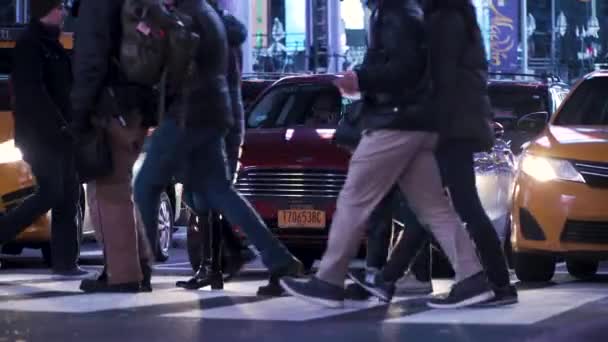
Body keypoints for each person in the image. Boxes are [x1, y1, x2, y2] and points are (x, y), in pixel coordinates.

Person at [280, 0, 493, 309]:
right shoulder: (408, 11)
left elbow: (404, 69)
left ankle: (328, 280)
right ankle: (473, 277)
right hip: (418, 122)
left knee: (354, 198)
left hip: (395, 122)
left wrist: (360, 79)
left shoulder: (394, 12)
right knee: (433, 207)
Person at [351, 0, 517, 307]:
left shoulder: (446, 18)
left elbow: (440, 79)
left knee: (458, 207)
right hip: (452, 123)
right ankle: (388, 280)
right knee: (434, 207)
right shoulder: (449, 14)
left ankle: (497, 283)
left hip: (450, 126)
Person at [134, 0, 303, 298]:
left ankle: (137, 267)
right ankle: (280, 260)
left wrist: (150, 30)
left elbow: (166, 69)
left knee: (146, 184)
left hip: (189, 113)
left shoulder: (188, 17)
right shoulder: (207, 14)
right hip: (210, 113)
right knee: (218, 191)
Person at [71, 0, 154, 293]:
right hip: (139, 105)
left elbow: (90, 62)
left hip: (112, 106)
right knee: (121, 187)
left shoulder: (97, 4)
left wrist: (78, 113)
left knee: (107, 191)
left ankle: (122, 275)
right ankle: (139, 265)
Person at [0, 0, 84, 276]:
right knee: (52, 192)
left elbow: (65, 91)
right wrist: (59, 124)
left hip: (63, 135)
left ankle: (66, 263)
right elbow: (33, 95)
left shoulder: (54, 45)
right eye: (58, 7)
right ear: (44, 10)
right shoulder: (30, 45)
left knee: (68, 196)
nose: (63, 13)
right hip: (40, 136)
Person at [176, 0, 255, 291]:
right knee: (205, 200)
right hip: (218, 126)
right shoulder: (221, 36)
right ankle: (216, 266)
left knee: (205, 199)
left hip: (215, 127)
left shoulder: (210, 38)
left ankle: (228, 260)